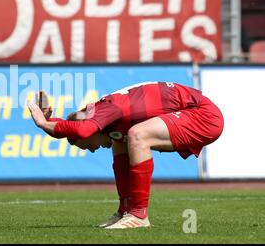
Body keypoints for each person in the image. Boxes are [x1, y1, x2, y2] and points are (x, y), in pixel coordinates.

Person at [27, 81, 224, 229]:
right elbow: (79, 129)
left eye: (87, 147)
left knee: (137, 135)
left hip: (204, 116)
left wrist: (43, 123)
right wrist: (51, 121)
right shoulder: (98, 113)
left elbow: (82, 131)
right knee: (121, 139)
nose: (93, 150)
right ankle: (126, 211)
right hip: (195, 112)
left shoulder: (102, 111)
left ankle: (138, 215)